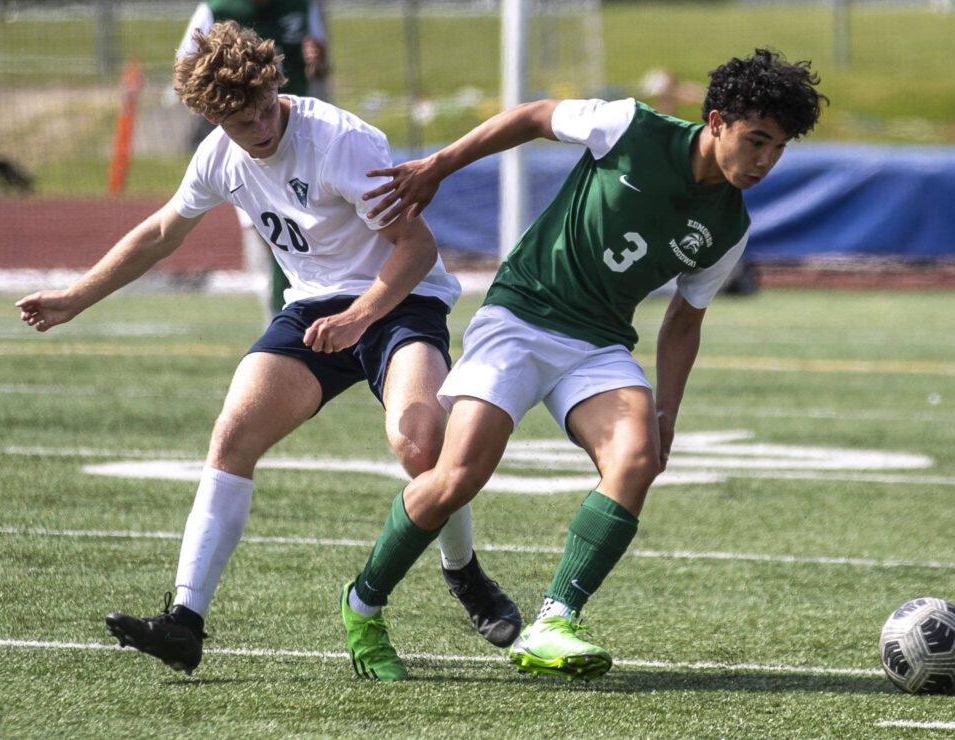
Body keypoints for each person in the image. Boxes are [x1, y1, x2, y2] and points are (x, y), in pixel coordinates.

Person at [15, 21, 520, 676]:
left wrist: (362, 315)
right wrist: (73, 298)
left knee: (421, 442)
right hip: (312, 309)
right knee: (233, 434)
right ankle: (185, 621)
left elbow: (418, 248)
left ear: (275, 83)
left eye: (261, 109)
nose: (257, 128)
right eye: (237, 120)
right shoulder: (220, 156)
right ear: (208, 116)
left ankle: (465, 574)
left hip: (399, 300)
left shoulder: (340, 141)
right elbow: (163, 231)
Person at [337, 48, 828, 681]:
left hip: (597, 346)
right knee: (455, 476)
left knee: (638, 456)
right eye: (756, 140)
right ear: (715, 122)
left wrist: (668, 407)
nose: (765, 161)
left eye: (778, 148)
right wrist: (439, 165)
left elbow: (685, 318)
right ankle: (364, 604)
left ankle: (554, 620)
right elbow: (535, 116)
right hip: (520, 318)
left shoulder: (729, 225)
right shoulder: (631, 127)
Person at [179, 0, 332, 321]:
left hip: (298, 144)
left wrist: (317, 61)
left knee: (308, 236)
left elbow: (321, 64)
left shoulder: (303, 6)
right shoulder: (215, 9)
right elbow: (185, 72)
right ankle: (280, 322)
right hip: (247, 150)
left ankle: (308, 316)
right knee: (270, 238)